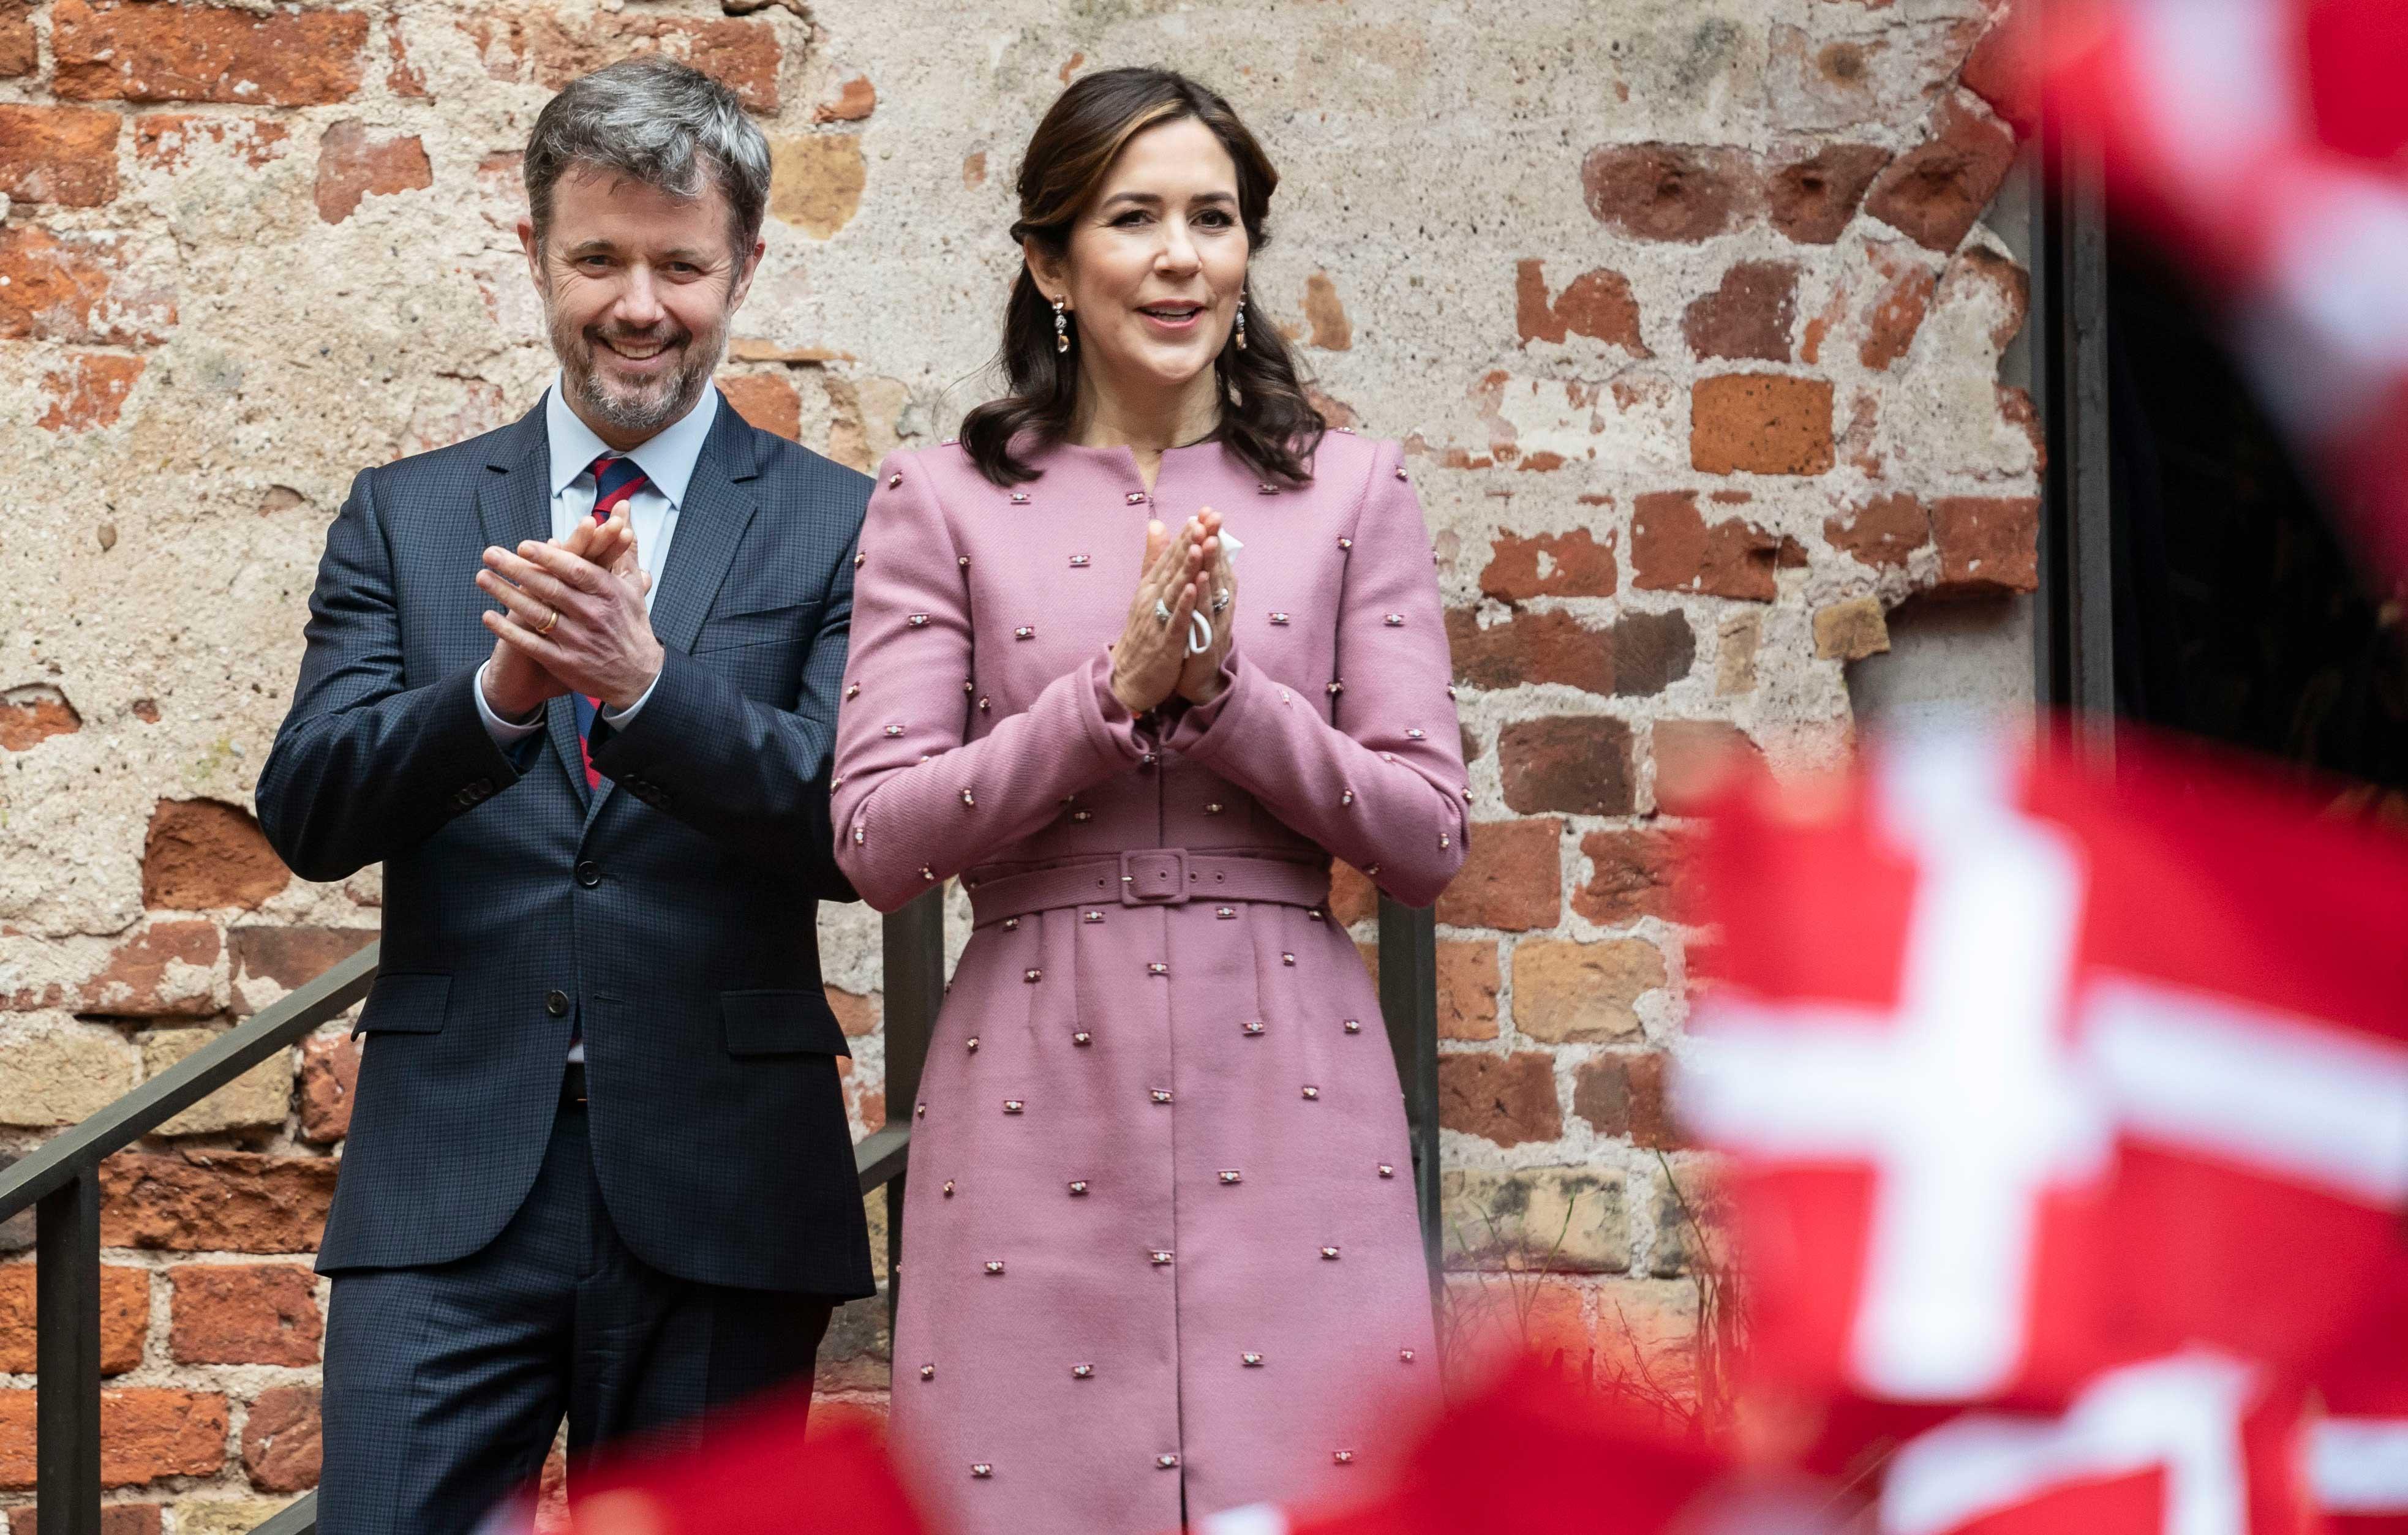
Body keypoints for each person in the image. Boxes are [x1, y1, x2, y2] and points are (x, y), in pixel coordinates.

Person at [831, 66, 1467, 1534]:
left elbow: (1427, 836)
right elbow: (874, 839)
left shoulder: (1354, 489)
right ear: (1052, 260)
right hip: (1034, 1077)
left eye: (1214, 218)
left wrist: (1229, 702)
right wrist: (1107, 701)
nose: (1181, 255)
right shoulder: (941, 498)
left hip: (1293, 1068)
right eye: (1134, 218)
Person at [254, 57, 873, 1534]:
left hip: (722, 1175)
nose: (637, 306)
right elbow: (310, 810)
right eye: (598, 258)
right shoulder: (403, 515)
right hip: (448, 1174)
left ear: (746, 266)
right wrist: (497, 699)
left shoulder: (845, 520)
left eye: (680, 264)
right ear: (533, 250)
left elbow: (853, 828)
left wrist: (646, 692)